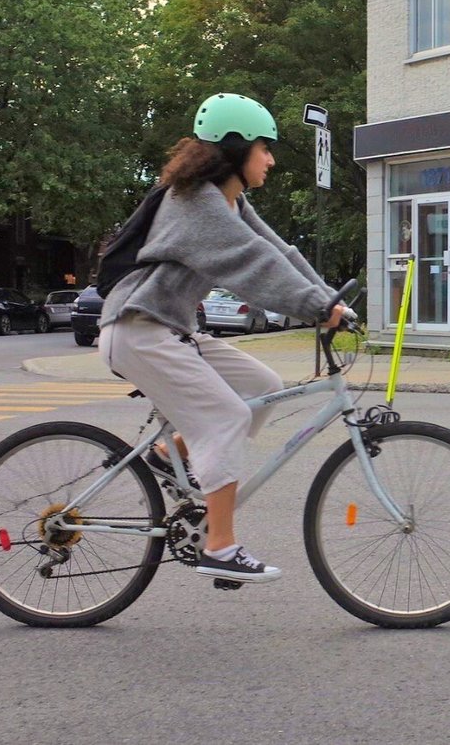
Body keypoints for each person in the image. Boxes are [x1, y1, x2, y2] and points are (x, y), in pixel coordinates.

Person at [99, 93, 352, 584]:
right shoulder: (197, 204)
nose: (272, 160)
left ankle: (167, 452)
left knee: (261, 385)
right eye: (265, 148)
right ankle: (220, 546)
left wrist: (330, 300)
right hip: (139, 331)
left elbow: (276, 252)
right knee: (226, 417)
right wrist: (318, 309)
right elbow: (250, 266)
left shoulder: (229, 202)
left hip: (166, 329)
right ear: (236, 149)